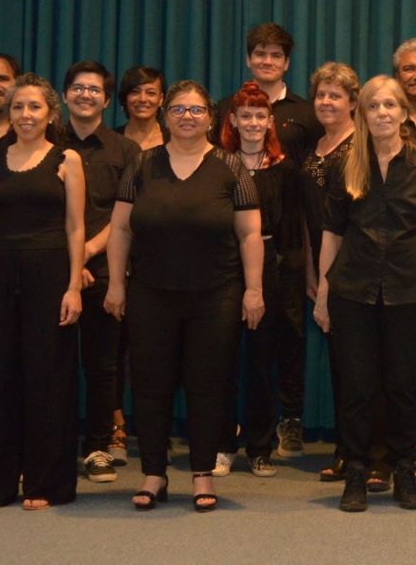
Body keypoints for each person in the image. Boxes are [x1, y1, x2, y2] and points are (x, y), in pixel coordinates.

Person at [105, 81, 265, 513]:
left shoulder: (232, 167)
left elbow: (250, 234)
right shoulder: (140, 165)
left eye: (196, 110)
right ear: (165, 115)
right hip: (150, 294)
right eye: (178, 109)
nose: (187, 117)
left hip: (216, 296)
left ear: (211, 118)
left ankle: (201, 473)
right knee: (151, 385)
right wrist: (116, 285)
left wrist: (254, 289)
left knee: (207, 386)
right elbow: (120, 228)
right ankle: (154, 473)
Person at [313, 76, 416, 513]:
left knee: (402, 386)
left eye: (391, 105)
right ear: (362, 114)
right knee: (355, 387)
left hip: (408, 291)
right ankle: (355, 471)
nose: (383, 113)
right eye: (374, 106)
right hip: (351, 290)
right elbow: (331, 234)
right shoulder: (345, 164)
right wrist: (322, 294)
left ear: (404, 113)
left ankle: (403, 470)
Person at [0, 74, 87, 510]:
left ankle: (44, 484)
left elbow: (76, 226)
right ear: (8, 113)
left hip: (50, 276)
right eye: (17, 107)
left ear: (51, 114)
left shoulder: (66, 159)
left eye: (34, 107)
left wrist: (74, 285)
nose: (25, 115)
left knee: (47, 381)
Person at [219, 83, 311, 477]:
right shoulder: (218, 165)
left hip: (273, 268)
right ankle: (222, 445)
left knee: (261, 359)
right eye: (246, 116)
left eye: (260, 115)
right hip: (224, 269)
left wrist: (295, 274)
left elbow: (296, 225)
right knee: (221, 359)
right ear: (233, 121)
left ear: (269, 121)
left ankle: (259, 447)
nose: (253, 123)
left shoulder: (286, 168)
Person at [61, 61, 141, 481]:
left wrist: (87, 255)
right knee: (51, 362)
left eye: (94, 90)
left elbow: (125, 215)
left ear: (107, 101)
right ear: (65, 95)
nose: (85, 95)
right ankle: (53, 445)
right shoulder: (47, 142)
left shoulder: (126, 150)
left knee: (102, 364)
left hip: (106, 270)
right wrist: (70, 263)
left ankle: (97, 447)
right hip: (54, 269)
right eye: (77, 88)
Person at [297, 62, 369, 485]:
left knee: (359, 366)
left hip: (355, 268)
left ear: (353, 102)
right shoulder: (315, 147)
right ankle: (348, 446)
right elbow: (311, 219)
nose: (326, 102)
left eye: (335, 96)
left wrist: (330, 278)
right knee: (342, 363)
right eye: (321, 94)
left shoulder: (361, 147)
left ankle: (359, 450)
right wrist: (312, 270)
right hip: (321, 263)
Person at [222, 22, 322, 163]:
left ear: (286, 63)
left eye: (276, 55)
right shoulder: (225, 109)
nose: (268, 62)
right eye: (260, 54)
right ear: (248, 60)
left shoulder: (308, 114)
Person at [116, 66, 167, 150]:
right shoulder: (110, 141)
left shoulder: (174, 140)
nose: (142, 99)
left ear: (161, 99)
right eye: (135, 92)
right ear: (125, 98)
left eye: (151, 93)